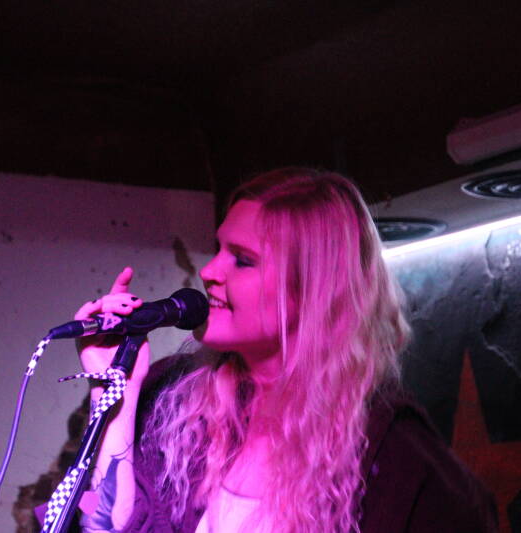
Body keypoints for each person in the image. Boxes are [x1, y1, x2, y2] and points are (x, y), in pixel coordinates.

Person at [73, 168, 497, 532]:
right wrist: (116, 392)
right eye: (219, 249)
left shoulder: (394, 453)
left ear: (313, 290)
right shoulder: (174, 403)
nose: (210, 271)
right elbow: (105, 525)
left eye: (243, 260)